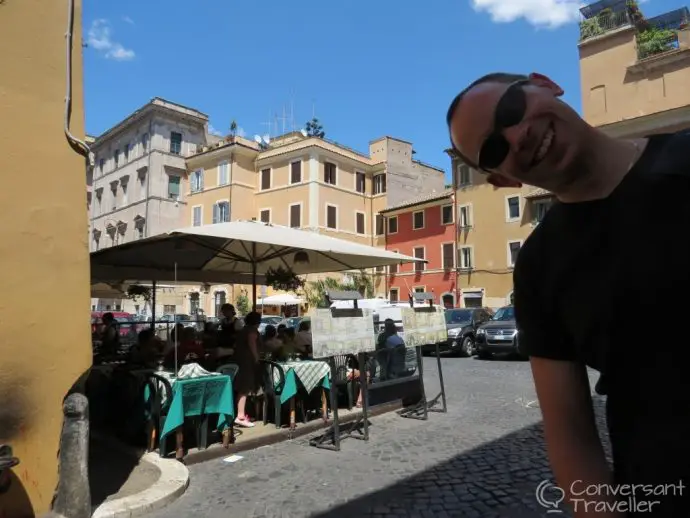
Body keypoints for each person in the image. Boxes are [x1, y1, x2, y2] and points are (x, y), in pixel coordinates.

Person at [447, 72, 690, 516]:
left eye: (510, 110)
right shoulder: (539, 267)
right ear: (502, 180)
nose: (517, 137)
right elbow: (569, 430)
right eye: (494, 150)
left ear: (546, 83)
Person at [233, 311, 262, 428]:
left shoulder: (244, 330)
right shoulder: (251, 331)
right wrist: (256, 358)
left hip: (240, 360)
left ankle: (242, 414)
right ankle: (240, 416)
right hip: (247, 361)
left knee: (243, 388)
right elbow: (252, 344)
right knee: (244, 388)